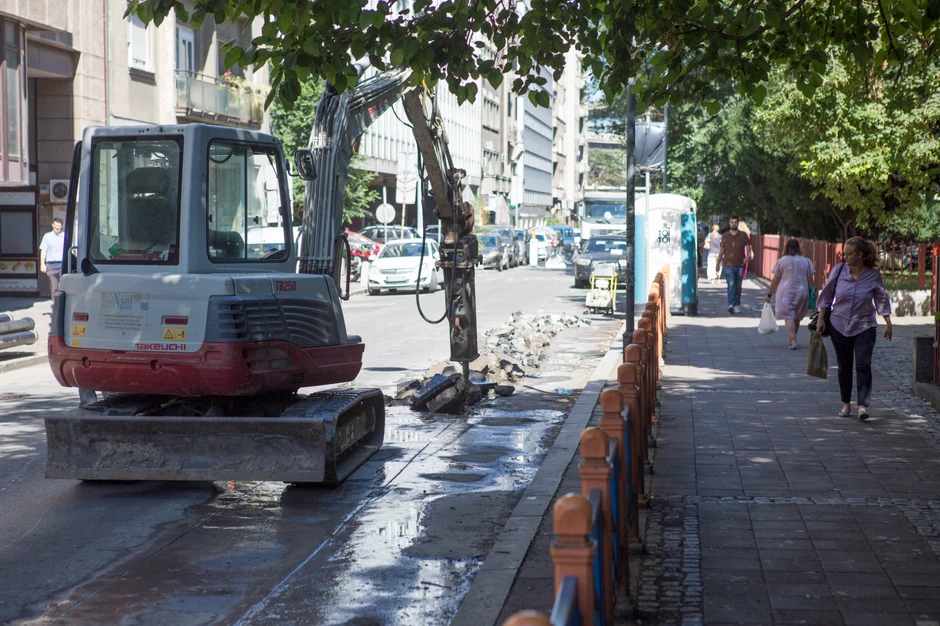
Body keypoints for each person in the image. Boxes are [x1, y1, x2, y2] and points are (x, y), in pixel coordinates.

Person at [816, 237, 892, 420]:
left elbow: (881, 298)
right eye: (844, 253)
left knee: (863, 365)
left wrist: (888, 322)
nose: (845, 257)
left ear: (860, 255)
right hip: (839, 324)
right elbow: (826, 295)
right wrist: (820, 319)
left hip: (864, 325)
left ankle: (862, 406)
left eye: (849, 254)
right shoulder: (839, 270)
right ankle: (845, 404)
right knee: (844, 366)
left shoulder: (873, 275)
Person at [764, 239, 815, 350]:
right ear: (798, 248)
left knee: (788, 315)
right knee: (797, 316)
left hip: (785, 293)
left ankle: (793, 340)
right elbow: (811, 279)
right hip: (802, 292)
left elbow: (775, 280)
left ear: (786, 247)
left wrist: (769, 294)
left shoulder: (782, 261)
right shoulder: (806, 261)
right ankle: (793, 338)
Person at [715, 216, 752, 314]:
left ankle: (737, 305)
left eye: (735, 222)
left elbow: (748, 248)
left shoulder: (743, 235)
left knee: (738, 286)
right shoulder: (725, 236)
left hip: (740, 265)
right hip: (728, 265)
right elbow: (722, 251)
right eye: (732, 222)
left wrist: (748, 257)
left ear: (738, 223)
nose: (733, 224)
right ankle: (731, 304)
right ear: (729, 223)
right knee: (731, 284)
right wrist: (718, 263)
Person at [39, 217, 65, 297]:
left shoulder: (65, 236)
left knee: (63, 286)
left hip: (63, 264)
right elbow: (43, 250)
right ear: (52, 225)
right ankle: (55, 302)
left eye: (59, 226)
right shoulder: (47, 236)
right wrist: (42, 264)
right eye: (56, 225)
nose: (57, 227)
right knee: (54, 286)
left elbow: (71, 250)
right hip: (51, 265)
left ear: (62, 226)